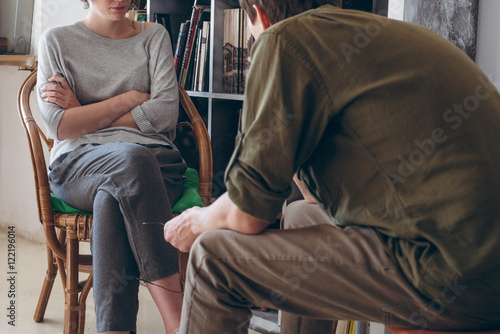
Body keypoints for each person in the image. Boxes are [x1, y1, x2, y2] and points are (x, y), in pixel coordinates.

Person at [164, 0, 500, 333]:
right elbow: (314, 201)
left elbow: (247, 214)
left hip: (454, 273)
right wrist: (285, 113)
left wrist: (195, 222)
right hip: (476, 254)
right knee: (298, 216)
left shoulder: (283, 40)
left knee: (212, 260)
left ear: (259, 13)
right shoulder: (362, 35)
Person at [37, 0, 185, 333]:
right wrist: (129, 98)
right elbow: (59, 126)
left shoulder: (154, 36)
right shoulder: (56, 40)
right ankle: (178, 320)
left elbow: (165, 113)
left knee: (113, 196)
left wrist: (84, 112)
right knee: (131, 159)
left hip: (159, 165)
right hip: (79, 166)